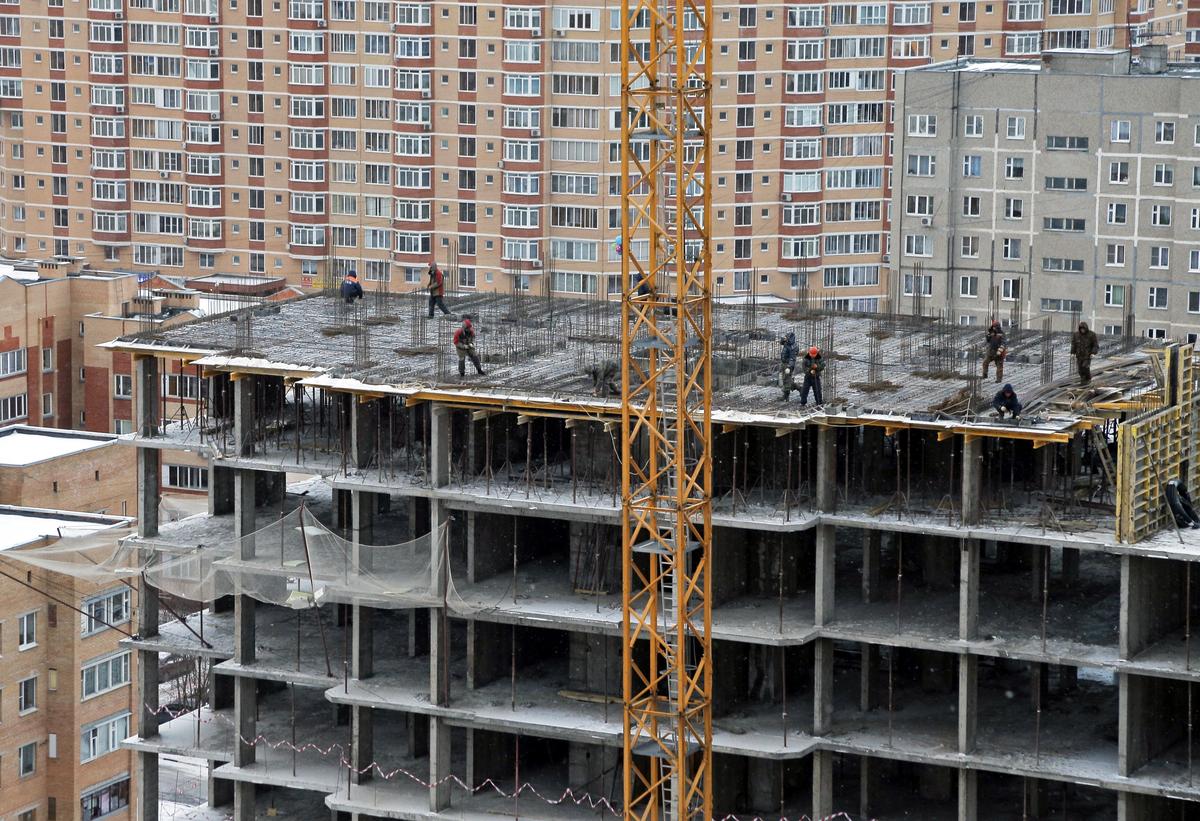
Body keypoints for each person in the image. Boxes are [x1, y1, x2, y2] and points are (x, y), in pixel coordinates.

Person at [779, 332, 800, 400]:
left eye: (787, 337)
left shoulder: (793, 346)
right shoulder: (787, 343)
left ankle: (786, 396)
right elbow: (781, 342)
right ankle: (799, 388)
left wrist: (789, 366)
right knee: (786, 379)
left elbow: (792, 358)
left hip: (788, 364)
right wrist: (783, 339)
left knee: (786, 380)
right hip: (784, 362)